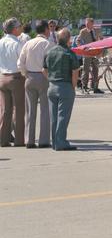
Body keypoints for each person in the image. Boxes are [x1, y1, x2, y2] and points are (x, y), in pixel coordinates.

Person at [44, 28, 81, 150]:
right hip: (65, 86)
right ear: (69, 39)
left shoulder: (50, 52)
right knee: (63, 116)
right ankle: (61, 142)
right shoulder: (69, 53)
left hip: (52, 86)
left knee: (54, 117)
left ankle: (55, 142)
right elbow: (75, 71)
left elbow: (43, 69)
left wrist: (50, 79)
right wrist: (73, 86)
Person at [18, 19, 52, 148]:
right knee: (44, 110)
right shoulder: (48, 44)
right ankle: (43, 140)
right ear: (45, 29)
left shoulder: (28, 43)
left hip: (30, 76)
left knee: (30, 111)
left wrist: (25, 74)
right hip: (43, 76)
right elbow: (49, 64)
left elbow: (20, 63)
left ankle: (29, 140)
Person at [1, 18, 27, 151]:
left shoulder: (1, 42)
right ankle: (19, 140)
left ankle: (3, 139)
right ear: (14, 29)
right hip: (15, 77)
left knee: (5, 110)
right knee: (18, 109)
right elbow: (21, 62)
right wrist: (25, 74)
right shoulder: (18, 43)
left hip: (2, 77)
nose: (21, 28)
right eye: (19, 26)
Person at [76, 17, 102, 93]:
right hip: (87, 53)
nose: (87, 25)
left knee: (95, 70)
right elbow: (78, 40)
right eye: (86, 24)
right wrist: (81, 48)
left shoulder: (97, 30)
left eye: (88, 24)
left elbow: (101, 39)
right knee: (86, 70)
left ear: (92, 24)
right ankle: (84, 86)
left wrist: (101, 47)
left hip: (95, 53)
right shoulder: (83, 31)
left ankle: (95, 87)